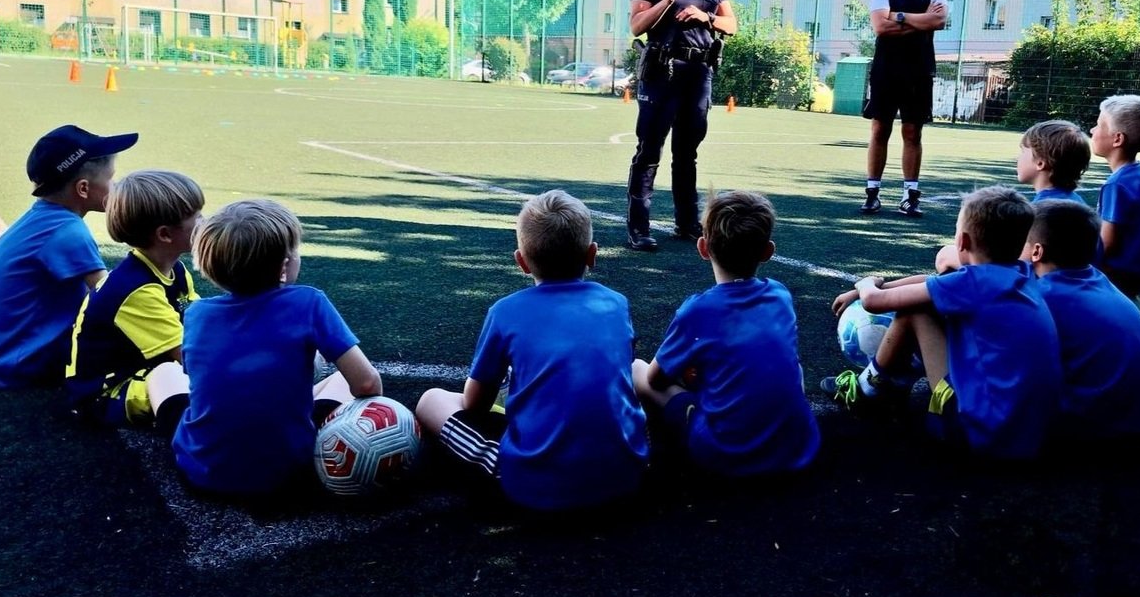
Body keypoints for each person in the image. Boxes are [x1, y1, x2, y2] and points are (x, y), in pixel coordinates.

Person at [416, 190, 649, 511]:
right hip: (628, 475)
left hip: (534, 488)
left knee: (431, 401)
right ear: (592, 255)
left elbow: (474, 404)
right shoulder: (615, 303)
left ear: (521, 261)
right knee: (636, 368)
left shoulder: (505, 312)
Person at [825, 186, 1062, 459]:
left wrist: (865, 285)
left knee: (915, 311)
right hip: (1030, 435)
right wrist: (882, 286)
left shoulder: (975, 282)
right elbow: (935, 282)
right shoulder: (1019, 274)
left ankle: (866, 393)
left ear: (961, 241)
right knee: (935, 306)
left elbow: (874, 303)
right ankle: (892, 387)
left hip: (980, 435)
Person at [170, 199, 383, 497]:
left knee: (168, 377)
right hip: (289, 474)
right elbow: (367, 383)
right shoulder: (308, 302)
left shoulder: (197, 313)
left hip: (202, 470)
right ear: (284, 265)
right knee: (337, 382)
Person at [632, 190, 819, 477]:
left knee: (637, 371)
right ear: (768, 252)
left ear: (703, 247)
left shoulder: (698, 310)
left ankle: (657, 448)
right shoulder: (780, 294)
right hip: (799, 446)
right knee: (791, 368)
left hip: (724, 454)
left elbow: (656, 379)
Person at [0, 124, 138, 389]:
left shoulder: (44, 219)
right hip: (23, 363)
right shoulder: (67, 230)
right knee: (139, 341)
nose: (117, 185)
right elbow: (113, 298)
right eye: (112, 179)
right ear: (83, 189)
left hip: (4, 353)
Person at [625, 0, 737, 251]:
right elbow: (636, 25)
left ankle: (686, 223)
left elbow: (731, 25)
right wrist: (666, 1)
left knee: (687, 152)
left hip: (698, 73)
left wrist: (706, 16)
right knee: (649, 149)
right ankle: (639, 228)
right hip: (662, 71)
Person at [65, 170, 203, 432]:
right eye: (197, 217)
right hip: (107, 392)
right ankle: (194, 432)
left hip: (146, 366)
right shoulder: (137, 290)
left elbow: (200, 321)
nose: (204, 222)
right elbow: (189, 357)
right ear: (164, 234)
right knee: (181, 377)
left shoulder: (176, 270)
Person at [1024, 200, 1140, 442]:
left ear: (1037, 251)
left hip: (1091, 432)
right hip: (1137, 421)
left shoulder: (1042, 297)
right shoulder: (1101, 281)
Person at [860, 0, 948, 218]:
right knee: (880, 129)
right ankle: (872, 193)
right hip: (886, 68)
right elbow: (880, 28)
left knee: (912, 131)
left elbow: (939, 20)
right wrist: (920, 20)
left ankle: (910, 196)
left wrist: (898, 15)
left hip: (919, 69)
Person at [935, 119, 1090, 273]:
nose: (1017, 158)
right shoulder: (1076, 203)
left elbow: (1019, 266)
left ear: (1041, 163)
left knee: (946, 255)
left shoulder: (1044, 212)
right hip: (1066, 283)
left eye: (1023, 151)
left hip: (1036, 287)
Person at [1090, 94, 1140, 298]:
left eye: (1098, 125)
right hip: (1137, 273)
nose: (1092, 130)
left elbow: (1107, 243)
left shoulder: (1117, 184)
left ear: (1118, 139)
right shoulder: (1138, 175)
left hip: (1118, 276)